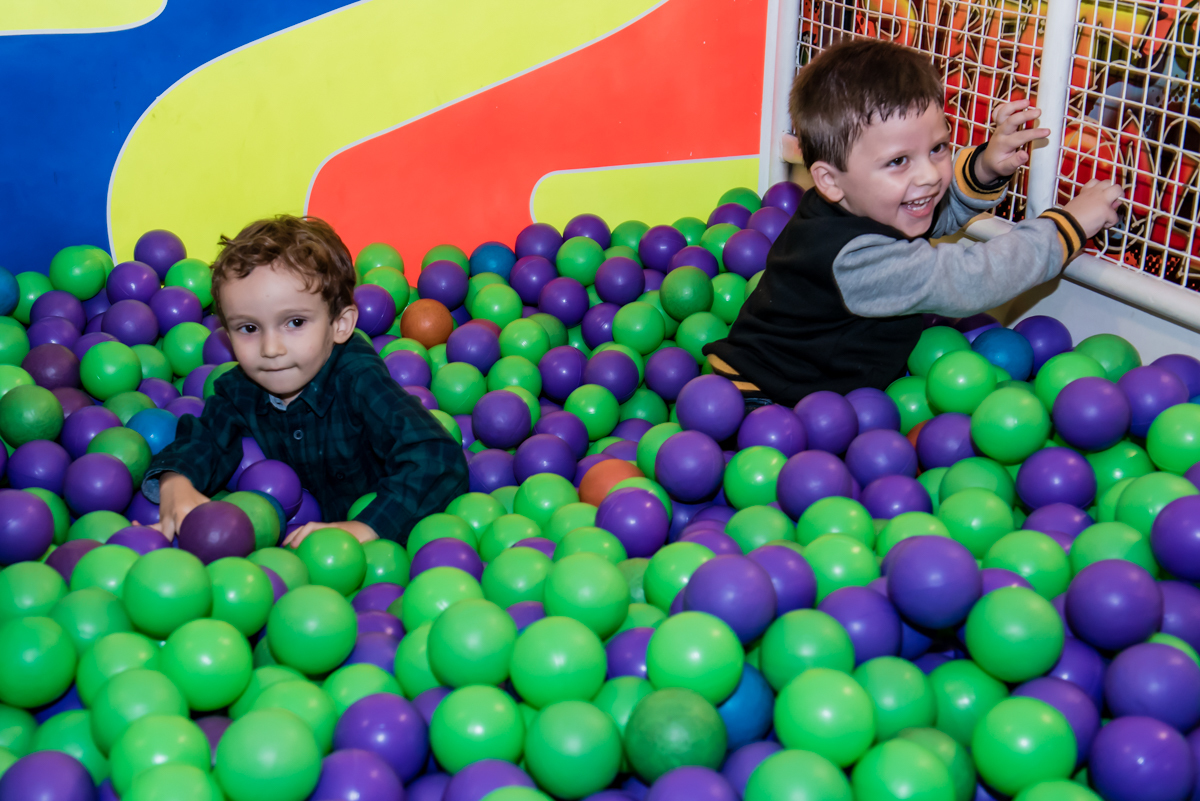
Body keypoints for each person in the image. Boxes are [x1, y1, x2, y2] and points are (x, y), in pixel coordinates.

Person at [704, 38, 1124, 407]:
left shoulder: (851, 204)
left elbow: (928, 217)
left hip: (817, 394)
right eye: (899, 161)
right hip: (761, 398)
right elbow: (971, 279)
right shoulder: (858, 259)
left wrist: (983, 169)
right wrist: (1068, 225)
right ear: (830, 180)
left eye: (938, 147)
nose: (928, 175)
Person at [143, 215, 468, 547]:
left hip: (380, 550)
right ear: (227, 336)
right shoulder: (241, 388)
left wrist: (365, 528)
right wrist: (175, 482)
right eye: (249, 328)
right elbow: (205, 438)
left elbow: (436, 456)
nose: (271, 349)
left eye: (295, 322)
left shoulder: (358, 379)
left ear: (340, 324)